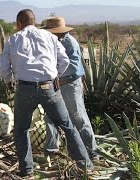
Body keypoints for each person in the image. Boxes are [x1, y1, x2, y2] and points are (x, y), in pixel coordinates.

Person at [0, 9, 93, 178]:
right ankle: (86, 165)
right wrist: (54, 75)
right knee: (68, 126)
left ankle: (27, 172)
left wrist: (10, 79)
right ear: (34, 21)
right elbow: (64, 61)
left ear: (19, 23)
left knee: (21, 129)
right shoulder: (49, 37)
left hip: (25, 89)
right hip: (49, 88)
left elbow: (2, 69)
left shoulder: (14, 39)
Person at [42, 16, 98, 160]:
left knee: (77, 116)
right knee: (50, 116)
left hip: (70, 84)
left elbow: (73, 66)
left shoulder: (70, 42)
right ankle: (51, 150)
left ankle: (91, 152)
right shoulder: (52, 41)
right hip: (55, 83)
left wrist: (56, 76)